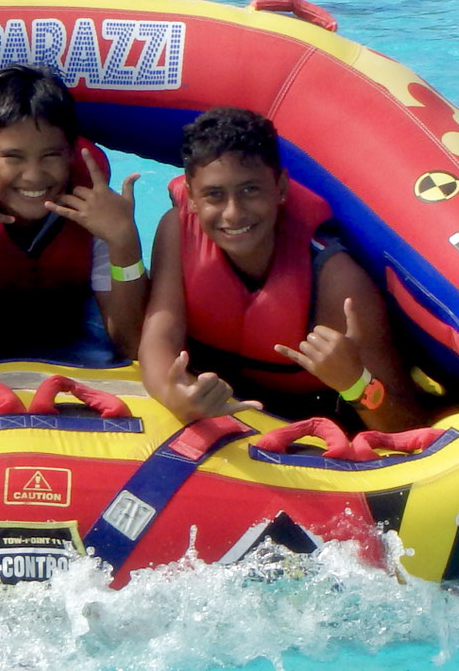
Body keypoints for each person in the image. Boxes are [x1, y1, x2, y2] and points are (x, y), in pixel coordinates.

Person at [138, 107, 423, 431]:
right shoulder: (177, 232)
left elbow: (409, 424)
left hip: (312, 415)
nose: (233, 213)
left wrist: (355, 384)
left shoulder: (336, 282)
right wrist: (175, 394)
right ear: (191, 197)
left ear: (281, 188)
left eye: (250, 190)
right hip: (217, 397)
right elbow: (158, 338)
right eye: (214, 195)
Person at [0, 64, 147, 366]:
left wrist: (125, 241)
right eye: (13, 157)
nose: (34, 176)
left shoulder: (97, 215)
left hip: (70, 329)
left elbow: (132, 344)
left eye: (50, 155)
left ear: (72, 152)